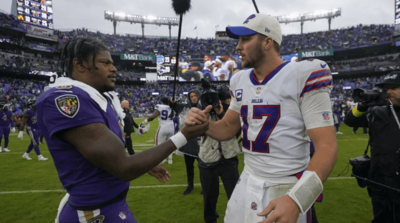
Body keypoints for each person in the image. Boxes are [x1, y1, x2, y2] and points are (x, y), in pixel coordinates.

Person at [35, 37, 208, 223]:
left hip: (111, 204)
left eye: (112, 62)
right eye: (105, 62)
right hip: (93, 213)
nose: (114, 68)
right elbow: (123, 166)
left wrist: (145, 163)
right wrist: (184, 136)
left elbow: (109, 155)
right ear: (80, 65)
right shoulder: (67, 98)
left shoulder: (97, 97)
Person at [185, 14, 338, 223]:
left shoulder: (304, 74)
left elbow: (327, 147)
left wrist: (297, 199)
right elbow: (228, 127)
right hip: (247, 179)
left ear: (267, 42)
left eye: (246, 39)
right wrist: (204, 126)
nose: (238, 47)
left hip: (286, 184)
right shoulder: (240, 79)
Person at [344, 71, 400, 223]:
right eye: (386, 88)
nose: (388, 91)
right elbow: (350, 121)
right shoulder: (378, 112)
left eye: (393, 87)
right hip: (379, 181)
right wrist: (362, 105)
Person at [198, 87, 241, 223]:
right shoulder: (201, 113)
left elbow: (237, 131)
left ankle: (238, 219)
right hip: (207, 159)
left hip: (228, 159)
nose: (211, 102)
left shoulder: (230, 111)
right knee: (209, 198)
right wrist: (203, 117)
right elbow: (194, 134)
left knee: (235, 196)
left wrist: (222, 113)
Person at [170, 89, 202, 195]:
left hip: (201, 142)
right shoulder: (185, 107)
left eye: (195, 96)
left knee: (203, 167)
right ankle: (190, 186)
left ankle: (205, 185)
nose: (193, 98)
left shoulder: (203, 107)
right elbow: (175, 107)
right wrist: (173, 102)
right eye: (191, 96)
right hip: (189, 142)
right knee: (189, 167)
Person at [146, 97, 175, 164]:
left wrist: (147, 120)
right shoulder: (172, 106)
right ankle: (170, 160)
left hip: (163, 127)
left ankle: (160, 160)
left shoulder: (160, 106)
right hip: (171, 127)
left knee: (159, 145)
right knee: (170, 144)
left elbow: (153, 116)